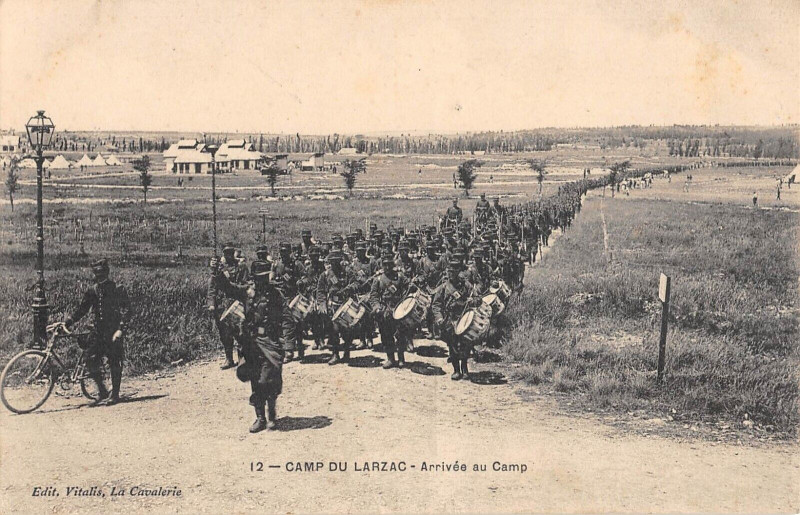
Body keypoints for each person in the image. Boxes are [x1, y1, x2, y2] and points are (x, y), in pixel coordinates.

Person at [214, 259, 284, 433]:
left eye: (266, 276)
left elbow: (287, 318)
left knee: (268, 379)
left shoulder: (275, 294)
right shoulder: (247, 292)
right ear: (254, 277)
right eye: (260, 277)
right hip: (250, 343)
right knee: (254, 379)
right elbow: (228, 287)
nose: (264, 280)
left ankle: (272, 414)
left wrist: (288, 344)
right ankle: (260, 418)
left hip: (269, 342)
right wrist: (217, 272)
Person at [63, 259, 130, 405]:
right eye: (96, 273)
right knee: (89, 359)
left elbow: (126, 311)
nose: (99, 276)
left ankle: (115, 395)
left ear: (107, 272)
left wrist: (120, 330)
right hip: (97, 332)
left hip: (112, 332)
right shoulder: (92, 290)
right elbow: (82, 309)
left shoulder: (117, 288)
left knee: (114, 361)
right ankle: (102, 391)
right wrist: (68, 322)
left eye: (101, 272)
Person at [432, 259, 478, 380]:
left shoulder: (466, 285)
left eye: (454, 271)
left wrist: (472, 301)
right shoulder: (443, 287)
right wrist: (439, 318)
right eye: (449, 271)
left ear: (458, 272)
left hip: (464, 318)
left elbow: (477, 298)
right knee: (452, 346)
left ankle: (465, 369)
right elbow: (436, 305)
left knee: (465, 345)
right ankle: (456, 370)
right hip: (450, 320)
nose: (451, 274)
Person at [207, 243, 250, 369]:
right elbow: (212, 287)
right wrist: (211, 304)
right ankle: (229, 358)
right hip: (223, 305)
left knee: (240, 332)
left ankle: (242, 357)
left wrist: (233, 287)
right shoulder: (220, 269)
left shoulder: (241, 267)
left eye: (230, 252)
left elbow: (246, 285)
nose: (228, 255)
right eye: (226, 252)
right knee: (224, 334)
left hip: (237, 302)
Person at [369, 253, 411, 369]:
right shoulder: (378, 279)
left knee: (400, 335)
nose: (387, 267)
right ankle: (390, 358)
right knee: (386, 336)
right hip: (384, 311)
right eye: (385, 265)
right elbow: (373, 296)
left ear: (392, 265)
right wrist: (376, 307)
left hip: (398, 309)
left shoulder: (400, 277)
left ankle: (401, 358)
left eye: (389, 264)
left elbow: (409, 288)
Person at [316, 251, 354, 365]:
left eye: (337, 261)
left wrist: (349, 288)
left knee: (347, 330)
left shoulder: (347, 272)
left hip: (346, 304)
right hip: (333, 305)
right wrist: (322, 304)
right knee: (333, 330)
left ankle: (347, 351)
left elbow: (356, 283)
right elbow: (320, 291)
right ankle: (335, 354)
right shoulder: (326, 275)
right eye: (333, 261)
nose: (335, 263)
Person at [272, 242, 306, 363]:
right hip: (281, 297)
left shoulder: (296, 264)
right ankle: (288, 351)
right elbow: (271, 279)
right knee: (285, 323)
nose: (283, 253)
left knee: (297, 324)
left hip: (294, 297)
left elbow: (305, 277)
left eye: (285, 251)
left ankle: (299, 347)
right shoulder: (276, 264)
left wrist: (299, 281)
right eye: (281, 251)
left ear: (290, 252)